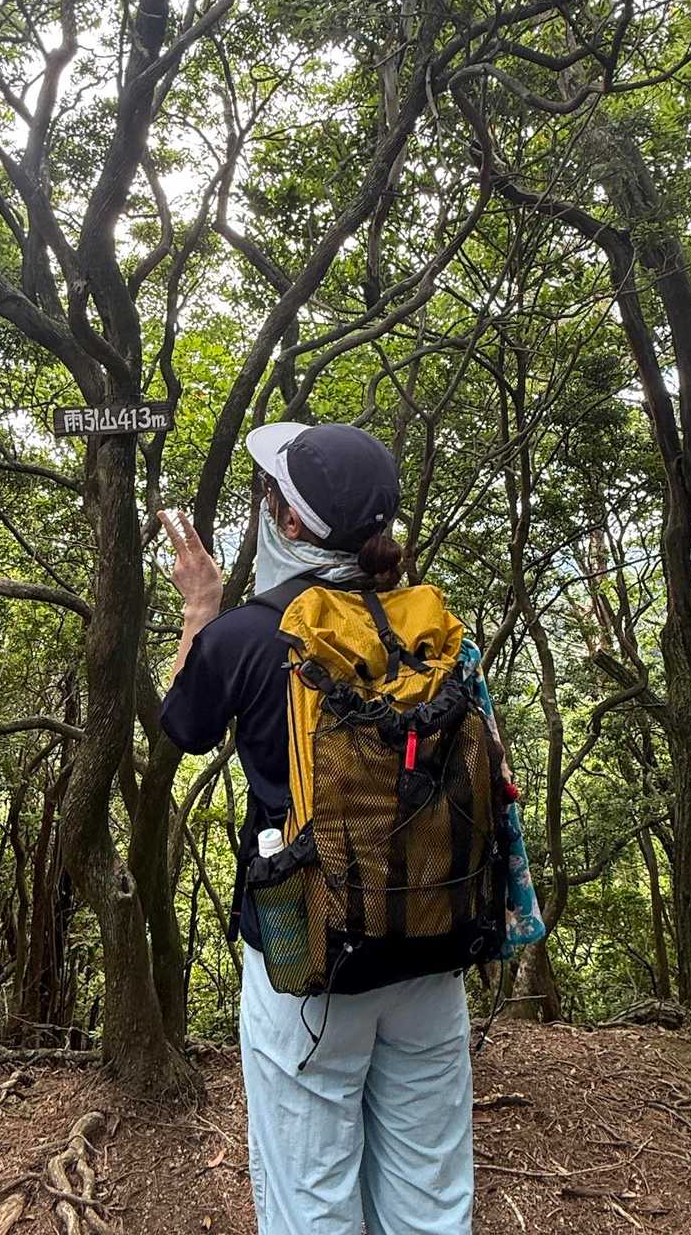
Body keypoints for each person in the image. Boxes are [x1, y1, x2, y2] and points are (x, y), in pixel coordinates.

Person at [159, 422, 475, 1235]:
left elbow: (182, 726)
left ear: (291, 522)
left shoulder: (247, 636)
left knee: (311, 1194)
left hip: (308, 954)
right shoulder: (432, 630)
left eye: (271, 496)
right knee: (431, 1192)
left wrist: (200, 607)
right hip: (431, 935)